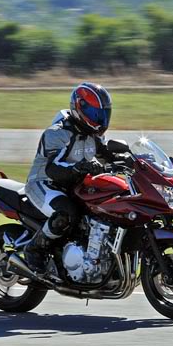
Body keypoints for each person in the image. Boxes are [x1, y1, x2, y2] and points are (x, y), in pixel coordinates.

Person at [23, 82, 123, 276]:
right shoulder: (57, 133)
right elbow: (53, 168)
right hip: (44, 182)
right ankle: (34, 250)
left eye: (103, 114)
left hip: (74, 183)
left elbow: (106, 155)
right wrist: (80, 167)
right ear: (80, 108)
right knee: (66, 213)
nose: (100, 120)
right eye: (96, 114)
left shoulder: (92, 133)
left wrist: (132, 160)